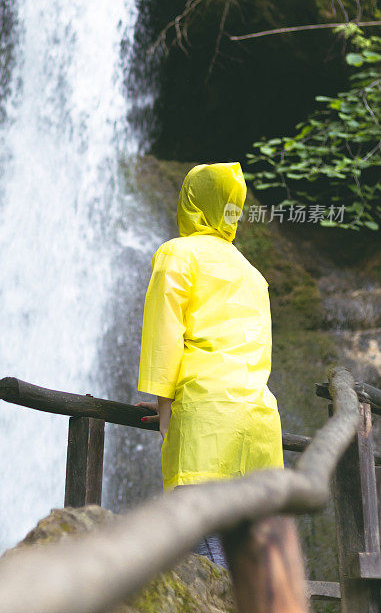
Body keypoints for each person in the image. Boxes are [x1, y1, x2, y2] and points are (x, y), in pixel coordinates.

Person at [136, 162, 284, 569]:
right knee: (247, 566)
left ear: (190, 201)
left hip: (206, 424)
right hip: (259, 430)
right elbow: (250, 352)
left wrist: (166, 411)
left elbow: (164, 338)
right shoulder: (252, 274)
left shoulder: (177, 254)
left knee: (209, 567)